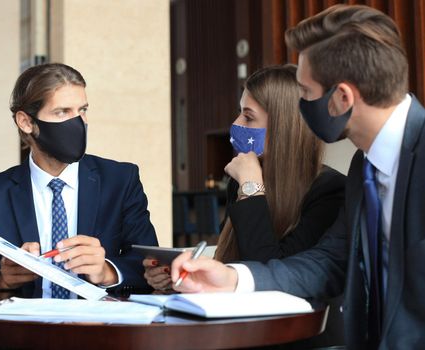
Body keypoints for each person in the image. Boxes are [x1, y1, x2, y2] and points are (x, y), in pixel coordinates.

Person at [171, 4, 425, 349]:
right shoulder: (363, 169)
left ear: (342, 97)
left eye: (305, 94)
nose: (301, 111)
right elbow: (328, 262)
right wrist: (233, 277)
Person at [0, 63, 158, 298]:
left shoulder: (120, 180)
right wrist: (4, 278)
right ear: (26, 122)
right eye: (62, 112)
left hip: (100, 329)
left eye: (82, 110)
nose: (78, 123)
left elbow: (150, 267)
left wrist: (106, 271)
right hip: (25, 330)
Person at [143, 65, 345, 291]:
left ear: (283, 127)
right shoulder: (241, 181)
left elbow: (268, 275)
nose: (236, 124)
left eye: (248, 117)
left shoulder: (328, 190)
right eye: (239, 112)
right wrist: (184, 278)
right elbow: (231, 264)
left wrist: (251, 188)